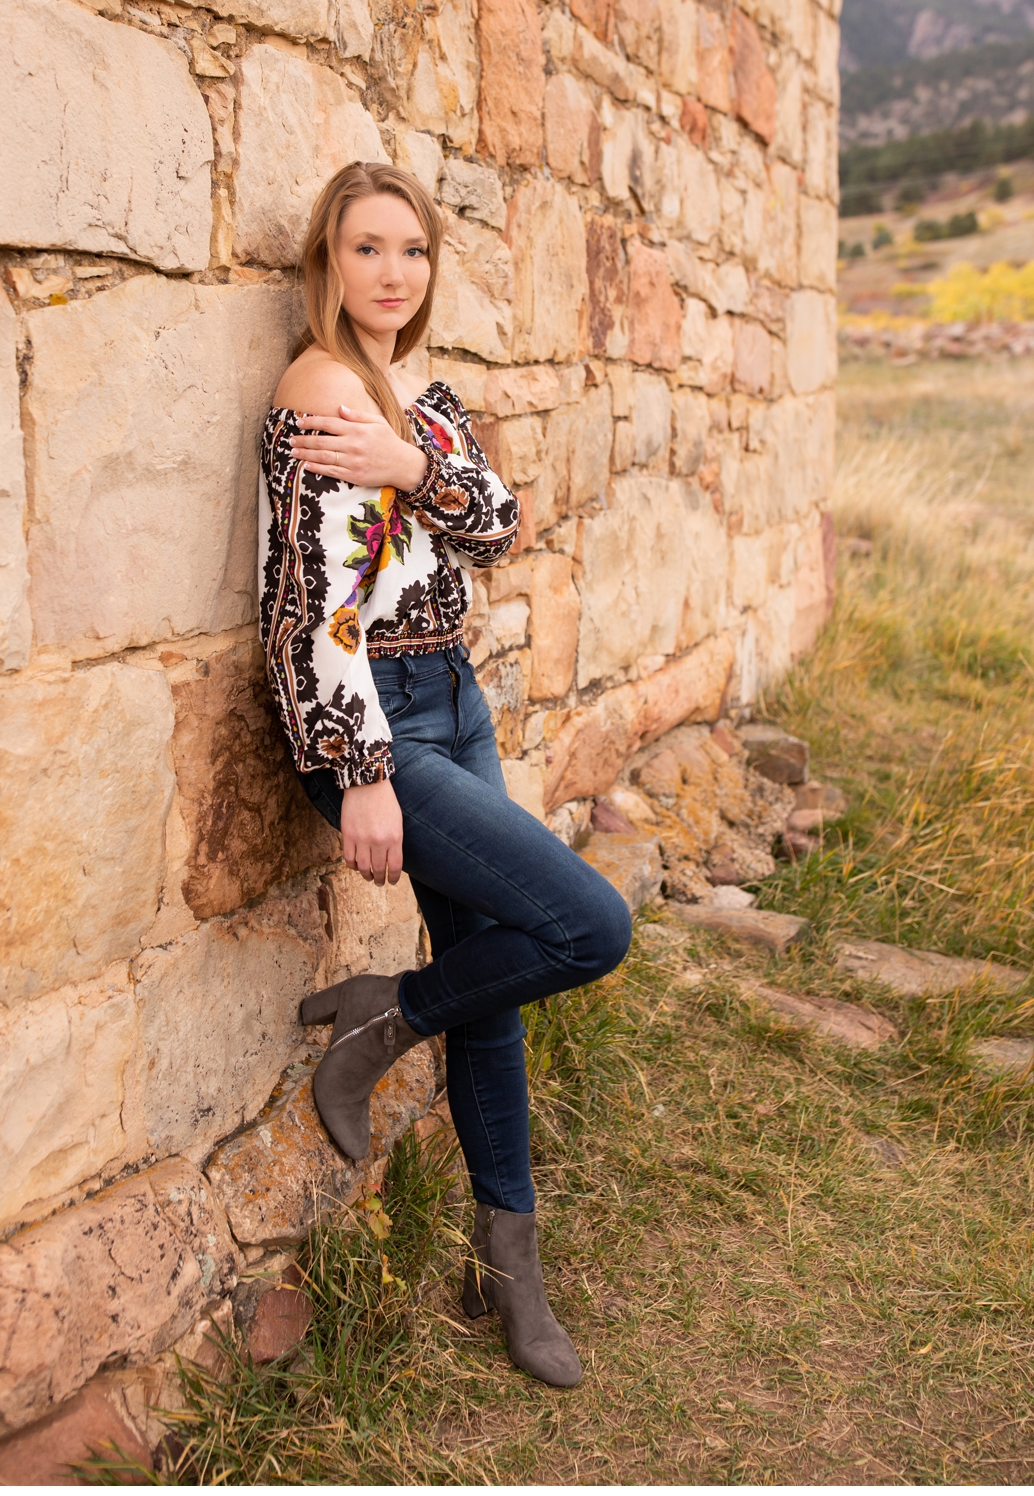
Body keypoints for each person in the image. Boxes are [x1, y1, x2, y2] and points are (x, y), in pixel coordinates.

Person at [258, 160, 631, 1389]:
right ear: (329, 263)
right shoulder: (320, 389)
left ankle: (505, 1275)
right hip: (384, 721)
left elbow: (500, 526)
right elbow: (308, 608)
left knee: (499, 985)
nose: (393, 272)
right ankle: (389, 1015)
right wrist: (362, 770)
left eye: (411, 250)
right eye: (368, 248)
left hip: (456, 699)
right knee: (589, 922)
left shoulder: (424, 395)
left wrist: (416, 461)